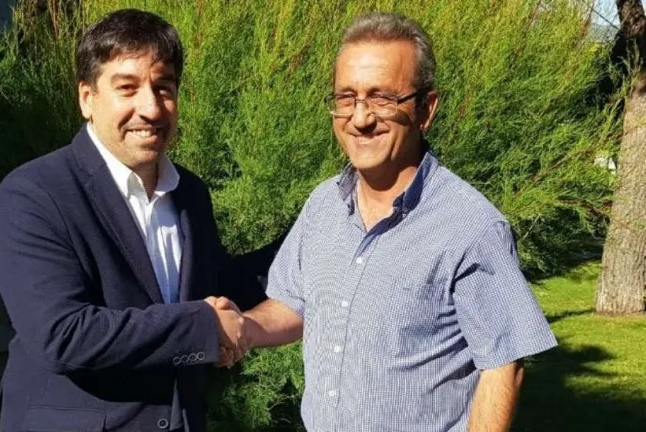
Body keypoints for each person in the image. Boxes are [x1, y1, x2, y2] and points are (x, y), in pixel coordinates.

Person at [215, 12, 558, 432]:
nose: (360, 118)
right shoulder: (323, 204)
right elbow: (296, 302)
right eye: (347, 98)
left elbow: (503, 364)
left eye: (382, 99)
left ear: (425, 109)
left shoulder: (470, 227)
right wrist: (245, 328)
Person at [0, 9, 265, 432]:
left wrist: (310, 240)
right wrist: (203, 327)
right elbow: (63, 335)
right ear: (87, 98)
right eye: (127, 88)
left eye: (164, 87)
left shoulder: (190, 193)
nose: (150, 108)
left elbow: (217, 289)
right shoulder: (34, 194)